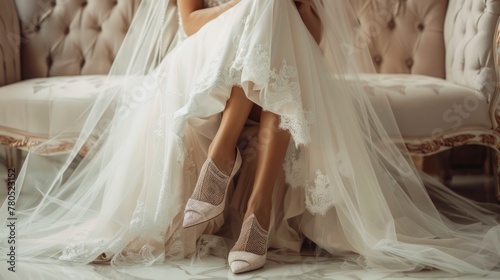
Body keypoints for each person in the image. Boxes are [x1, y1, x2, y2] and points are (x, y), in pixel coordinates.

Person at [1, 0, 499, 275]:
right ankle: (252, 207)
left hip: (282, 64)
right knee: (268, 17)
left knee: (282, 41)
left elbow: (313, 34)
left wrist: (278, 9)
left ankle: (237, 184)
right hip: (202, 66)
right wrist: (250, 9)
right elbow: (191, 24)